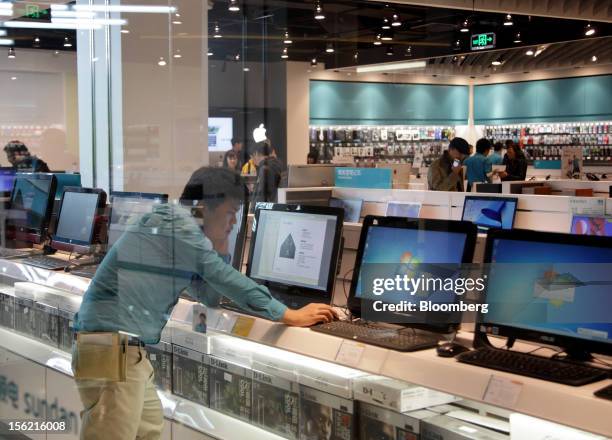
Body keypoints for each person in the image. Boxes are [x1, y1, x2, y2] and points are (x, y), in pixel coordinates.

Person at [72, 167, 336, 439]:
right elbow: (223, 278)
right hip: (111, 347)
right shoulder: (176, 225)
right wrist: (287, 314)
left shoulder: (180, 227)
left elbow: (208, 295)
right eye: (231, 212)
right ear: (205, 207)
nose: (234, 222)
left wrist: (219, 247)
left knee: (147, 429)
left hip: (123, 349)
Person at [251, 140, 282, 207]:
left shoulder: (264, 169)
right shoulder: (275, 165)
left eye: (252, 157)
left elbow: (261, 195)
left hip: (263, 210)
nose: (253, 160)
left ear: (256, 153)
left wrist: (252, 210)